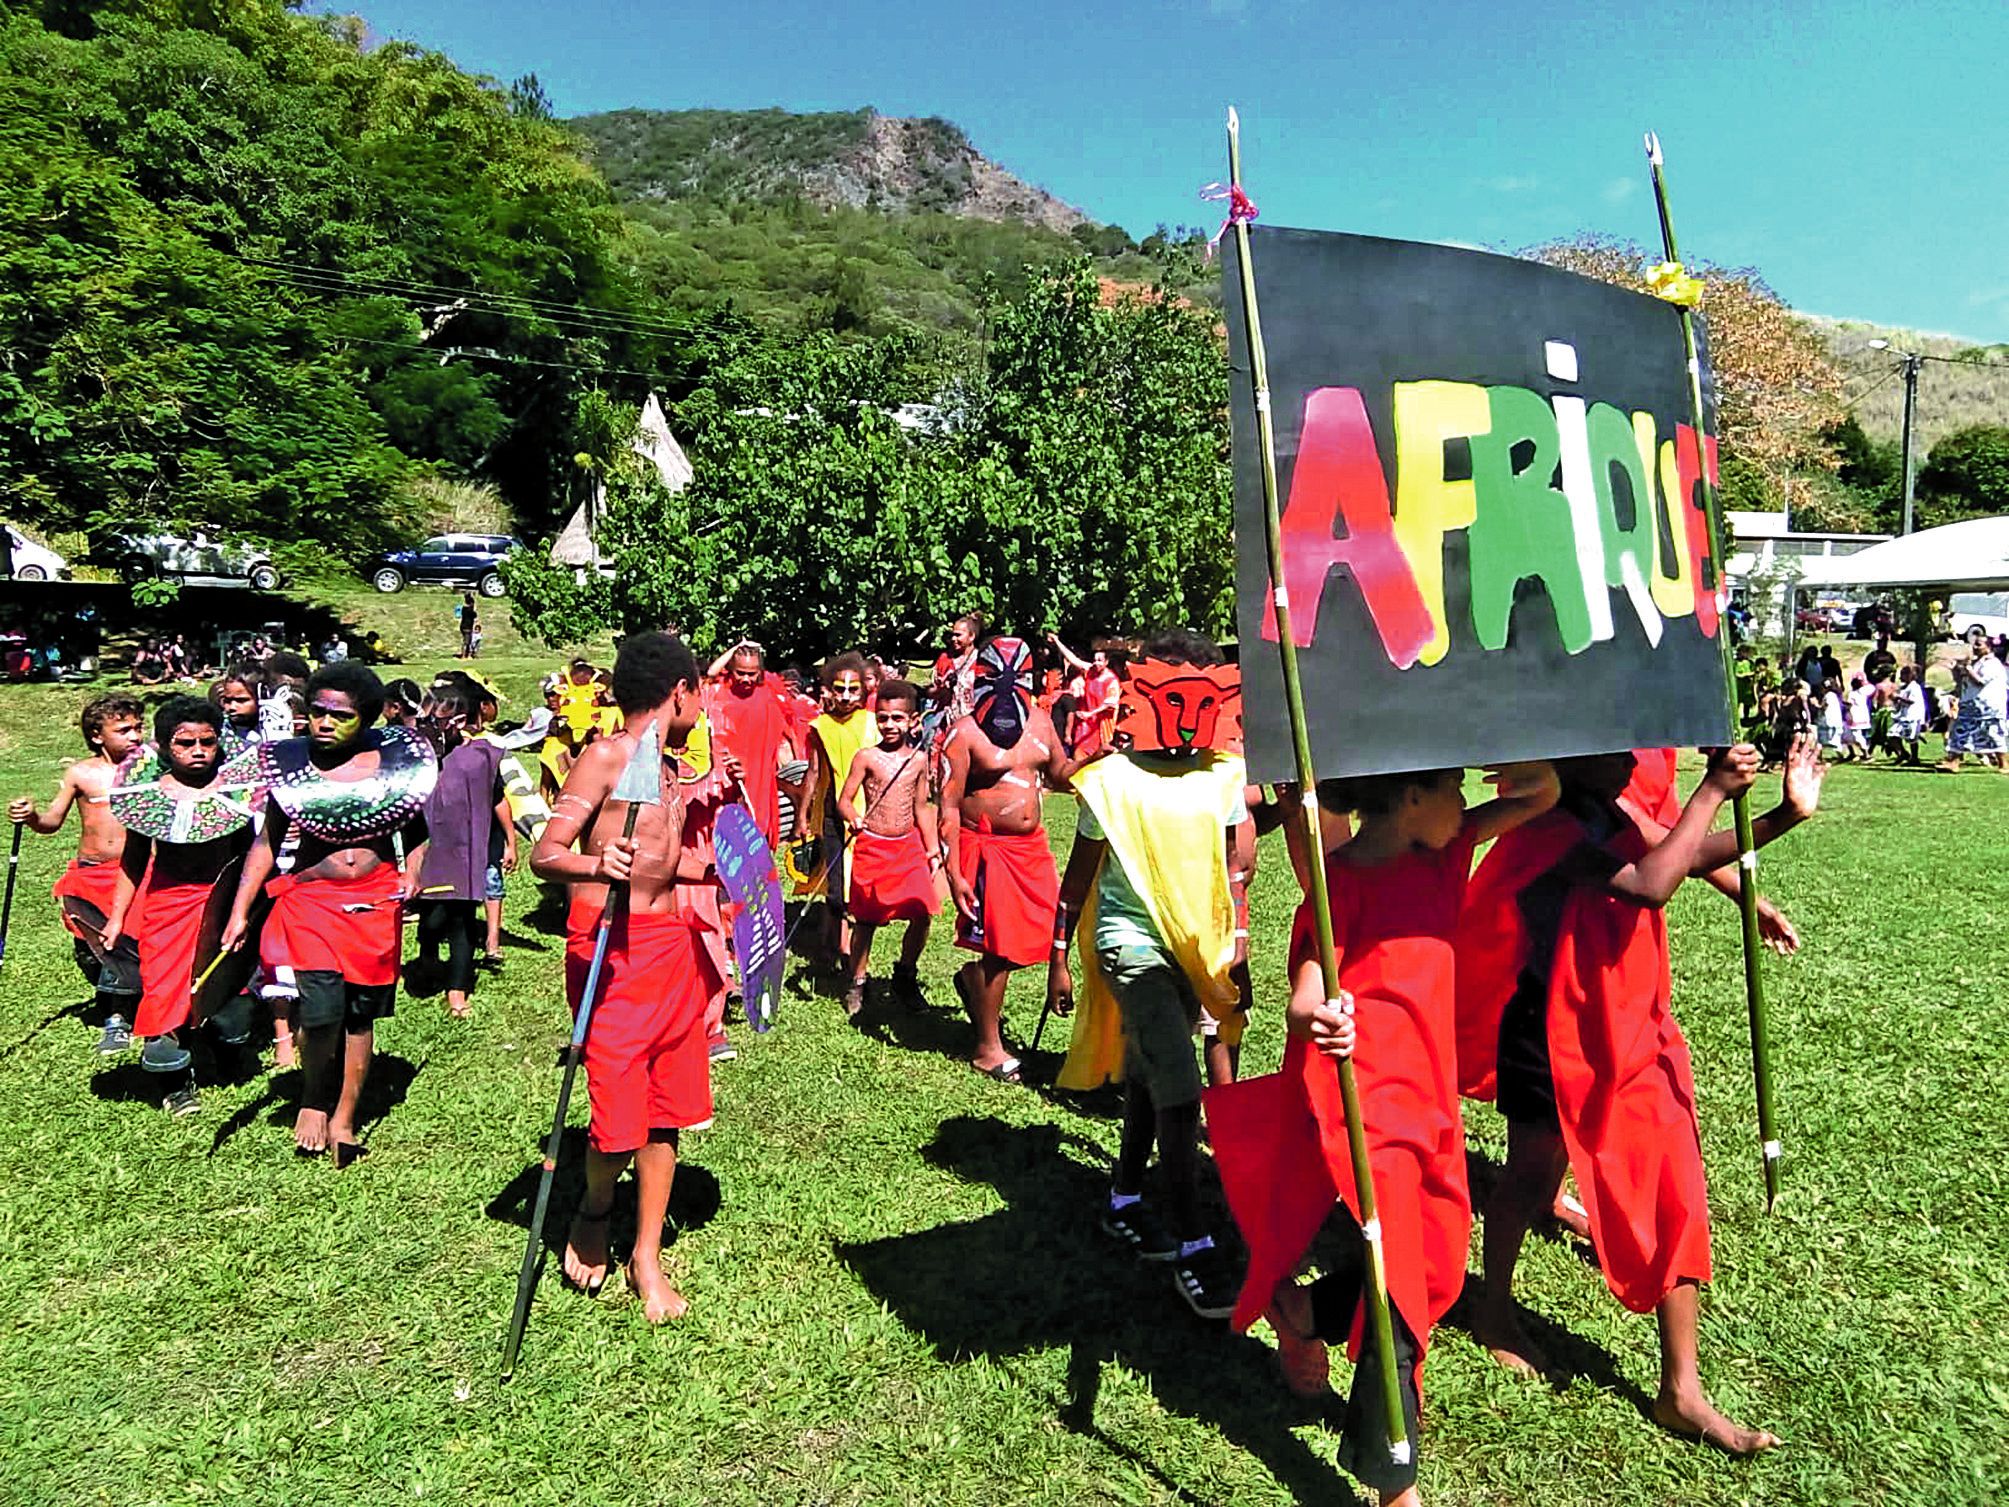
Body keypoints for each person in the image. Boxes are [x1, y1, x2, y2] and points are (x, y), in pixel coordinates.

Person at [1206, 759, 1558, 1507]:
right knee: (1400, 1283)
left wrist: (1525, 766)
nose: (1464, 801)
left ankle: (1304, 1310)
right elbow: (1303, 996)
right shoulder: (1338, 891)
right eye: (1453, 786)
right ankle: (1393, 1479)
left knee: (1436, 1268)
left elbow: (1543, 795)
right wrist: (1321, 1018)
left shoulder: (1446, 849)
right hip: (1366, 1111)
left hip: (1429, 1101)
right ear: (1409, 798)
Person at [1458, 739, 1822, 1455]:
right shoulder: (1547, 824)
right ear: (1566, 756)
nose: (1635, 764)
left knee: (1673, 1184)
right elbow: (1651, 881)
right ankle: (1492, 1309)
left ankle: (1680, 1388)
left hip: (1634, 1026)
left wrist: (1784, 814)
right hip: (1552, 1029)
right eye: (1616, 752)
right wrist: (1713, 788)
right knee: (1528, 1176)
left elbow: (1684, 852)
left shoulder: (1609, 805)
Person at [1047, 629, 1267, 1319]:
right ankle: (1194, 1242)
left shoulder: (1225, 777)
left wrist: (1238, 945)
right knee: (1178, 1087)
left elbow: (1234, 873)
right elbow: (1077, 882)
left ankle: (1121, 1197)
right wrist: (1059, 954)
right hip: (1130, 946)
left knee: (1147, 1073)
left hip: (1193, 950)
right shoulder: (1109, 785)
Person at [529, 632, 718, 1323]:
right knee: (616, 1120)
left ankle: (646, 1253)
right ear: (679, 692)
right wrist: (593, 865)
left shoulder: (667, 771)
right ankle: (595, 1202)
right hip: (609, 954)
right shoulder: (605, 756)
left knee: (667, 1111)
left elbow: (665, 868)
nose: (701, 703)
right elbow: (545, 855)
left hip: (669, 951)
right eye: (699, 690)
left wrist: (729, 873)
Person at [220, 663, 435, 1164]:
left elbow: (418, 832)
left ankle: (345, 1114)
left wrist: (414, 872)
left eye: (339, 715)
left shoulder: (395, 765)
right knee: (321, 1011)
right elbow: (267, 843)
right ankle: (314, 1095)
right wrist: (239, 910)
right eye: (316, 711)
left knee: (360, 1017)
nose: (323, 723)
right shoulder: (291, 768)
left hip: (375, 903)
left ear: (365, 719)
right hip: (313, 905)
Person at [100, 698, 258, 1115]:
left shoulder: (235, 791)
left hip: (222, 902)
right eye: (185, 743)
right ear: (165, 746)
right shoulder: (148, 797)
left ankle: (228, 1055)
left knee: (226, 989)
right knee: (165, 992)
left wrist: (244, 908)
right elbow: (133, 860)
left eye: (207, 741)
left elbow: (248, 855)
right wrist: (117, 917)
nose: (198, 751)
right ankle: (175, 1085)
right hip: (167, 908)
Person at [941, 635, 1073, 1082]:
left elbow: (1060, 774)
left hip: (1029, 850)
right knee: (998, 947)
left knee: (1037, 936)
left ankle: (973, 983)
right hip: (987, 850)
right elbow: (948, 805)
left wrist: (1100, 761)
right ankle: (987, 1047)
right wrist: (955, 872)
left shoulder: (1040, 722)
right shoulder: (963, 733)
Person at [8, 694, 147, 1052]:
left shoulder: (151, 768)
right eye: (123, 730)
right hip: (93, 873)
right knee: (92, 946)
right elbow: (52, 822)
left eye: (138, 727)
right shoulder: (81, 773)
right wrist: (32, 817)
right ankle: (113, 1008)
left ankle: (126, 1013)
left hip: (137, 871)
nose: (134, 736)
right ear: (97, 735)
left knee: (128, 942)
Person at [835, 679, 939, 1018]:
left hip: (907, 846)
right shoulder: (867, 757)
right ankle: (858, 981)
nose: (890, 725)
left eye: (897, 718)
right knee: (865, 921)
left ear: (913, 721)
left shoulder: (919, 761)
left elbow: (922, 807)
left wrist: (932, 848)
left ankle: (905, 974)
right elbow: (844, 800)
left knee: (922, 914)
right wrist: (853, 817)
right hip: (873, 845)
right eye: (883, 718)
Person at [409, 685, 513, 1019]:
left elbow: (498, 797)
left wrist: (510, 840)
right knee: (431, 917)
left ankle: (457, 991)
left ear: (460, 721)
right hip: (425, 850)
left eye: (438, 722)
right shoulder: (416, 757)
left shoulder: (481, 756)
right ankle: (427, 957)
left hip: (466, 851)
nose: (431, 729)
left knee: (461, 922)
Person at [791, 654, 878, 973]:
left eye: (853, 689)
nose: (845, 696)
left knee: (861, 882)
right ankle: (836, 946)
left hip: (868, 813)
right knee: (835, 881)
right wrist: (802, 816)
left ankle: (847, 947)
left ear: (864, 691)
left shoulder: (873, 723)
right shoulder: (819, 727)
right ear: (828, 689)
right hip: (832, 814)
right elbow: (813, 773)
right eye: (839, 689)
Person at [707, 640, 795, 851]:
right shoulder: (720, 692)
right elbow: (710, 673)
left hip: (760, 776)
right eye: (740, 673)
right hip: (728, 775)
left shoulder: (768, 691)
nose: (746, 679)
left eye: (752, 673)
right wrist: (737, 647)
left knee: (757, 830)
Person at [1939, 625, 2008, 773]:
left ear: (1989, 648)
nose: (1975, 647)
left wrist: (1968, 669)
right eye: (1974, 644)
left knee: (1993, 734)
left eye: (1979, 645)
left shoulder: (1992, 664)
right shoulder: (1978, 663)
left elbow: (1980, 681)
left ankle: (2004, 764)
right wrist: (1956, 670)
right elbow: (1962, 682)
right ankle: (1954, 761)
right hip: (1972, 704)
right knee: (1961, 731)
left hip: (1987, 707)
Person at [1048, 631, 1121, 759]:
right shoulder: (1090, 670)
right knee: (1079, 753)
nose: (1096, 663)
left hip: (1100, 725)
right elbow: (1073, 659)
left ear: (1106, 662)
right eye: (1095, 660)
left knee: (1098, 757)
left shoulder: (1112, 681)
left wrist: (1091, 713)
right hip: (1085, 722)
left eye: (1100, 660)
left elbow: (1110, 703)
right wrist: (1057, 641)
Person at [1893, 664, 1928, 764]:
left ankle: (1914, 758)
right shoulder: (1904, 688)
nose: (1900, 678)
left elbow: (1912, 701)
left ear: (1910, 675)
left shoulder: (1914, 687)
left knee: (1912, 738)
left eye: (1902, 675)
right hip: (1902, 716)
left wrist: (1899, 698)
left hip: (1912, 716)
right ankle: (1903, 753)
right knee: (1893, 735)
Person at [1841, 674, 1871, 763]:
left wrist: (1844, 705)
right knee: (1847, 735)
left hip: (1855, 716)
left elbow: (1849, 705)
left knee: (1857, 736)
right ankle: (1852, 753)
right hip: (1859, 715)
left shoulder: (1855, 693)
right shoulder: (1861, 693)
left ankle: (1866, 754)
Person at [458, 592, 480, 660]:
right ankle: (464, 656)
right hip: (467, 627)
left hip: (463, 626)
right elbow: (475, 615)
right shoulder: (470, 611)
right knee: (467, 642)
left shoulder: (464, 609)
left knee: (467, 641)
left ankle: (466, 654)